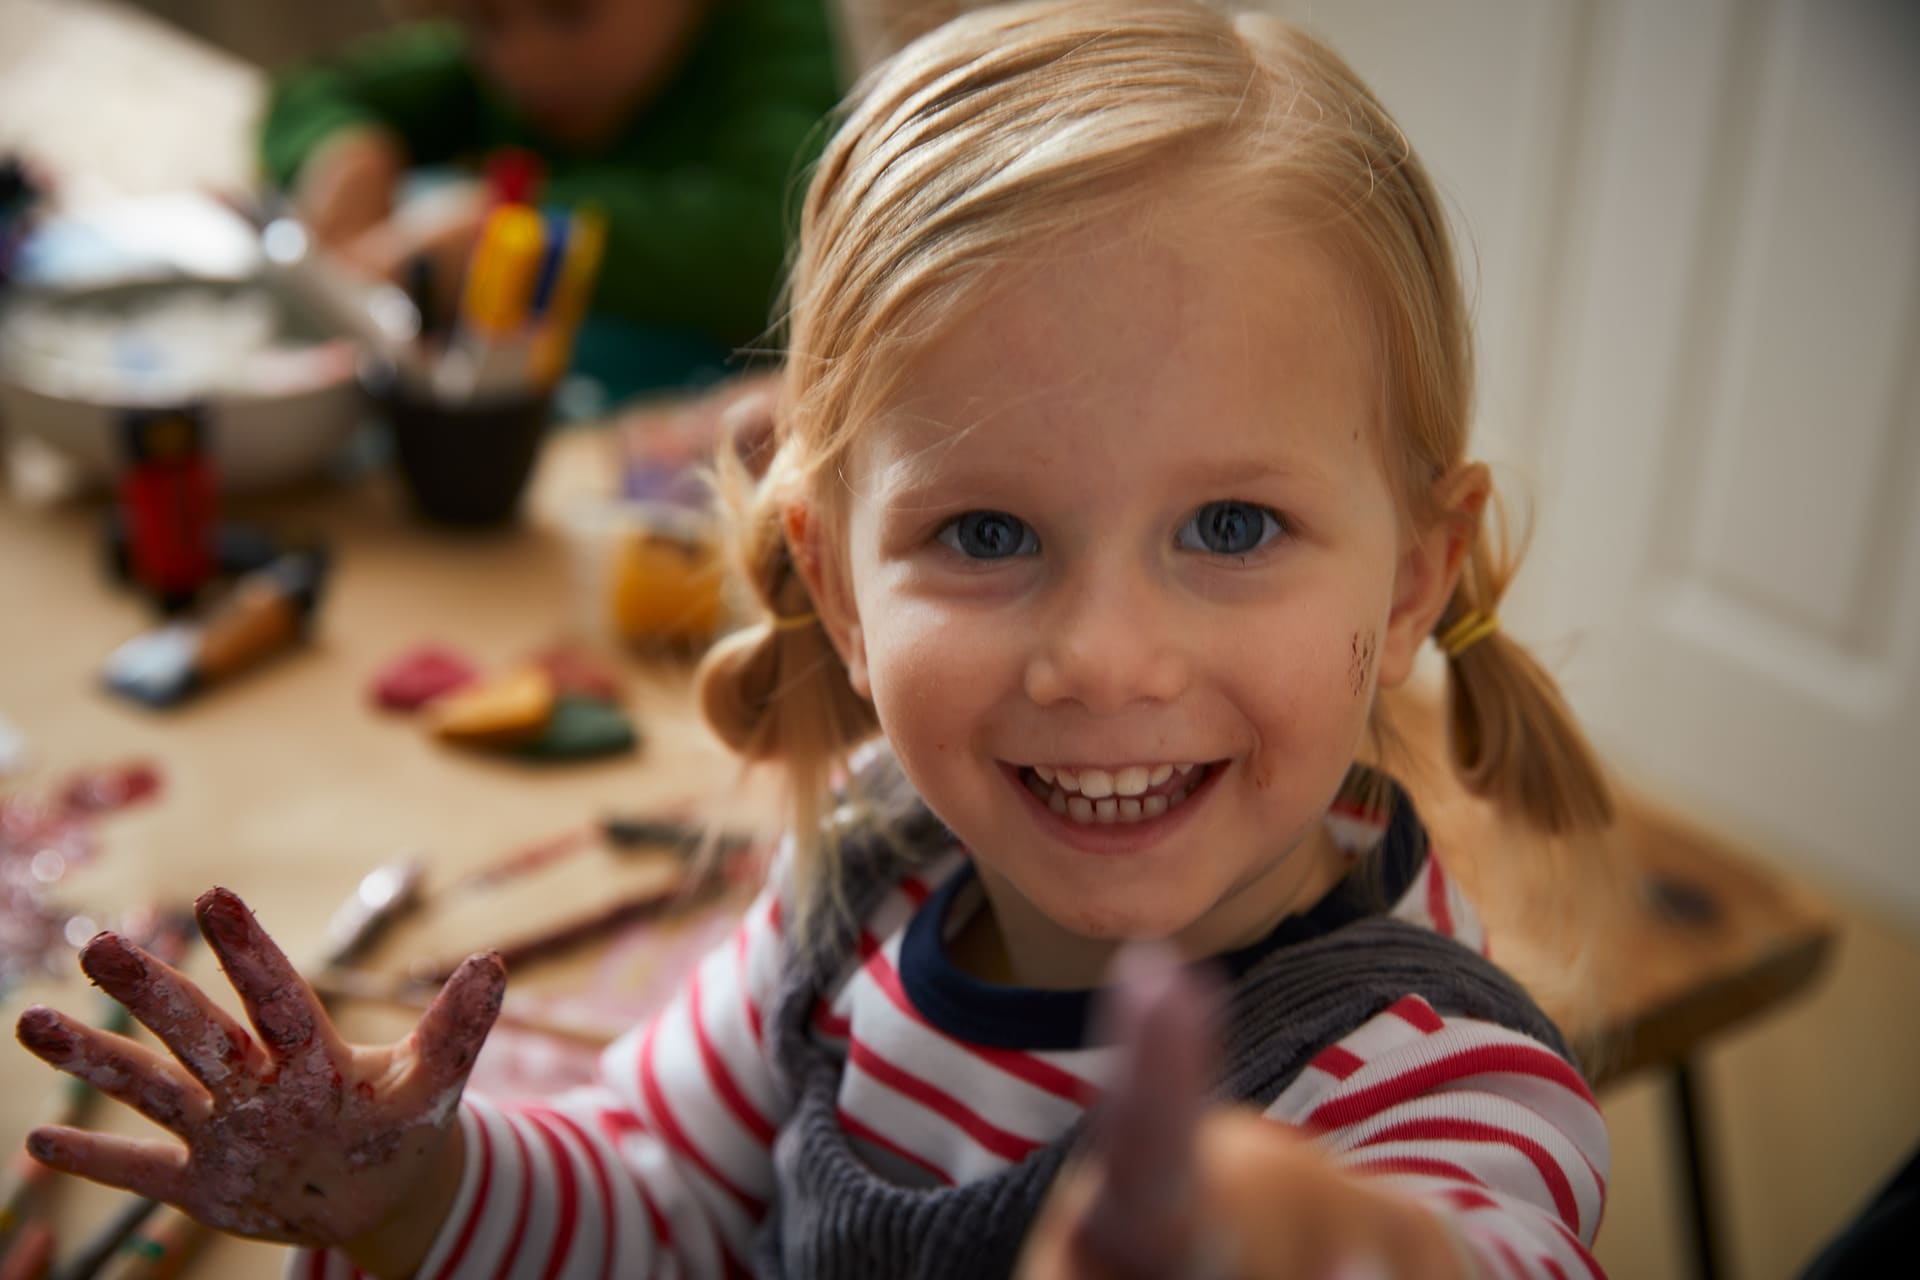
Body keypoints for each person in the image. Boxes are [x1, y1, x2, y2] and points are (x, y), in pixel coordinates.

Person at [16, 2, 1619, 1275]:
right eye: (987, 535)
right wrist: (419, 1182)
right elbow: (656, 1198)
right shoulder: (868, 875)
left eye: (1233, 528)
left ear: (1415, 580)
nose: (1105, 658)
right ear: (839, 584)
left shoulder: (1434, 1094)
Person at [259, 0, 842, 398]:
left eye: (570, 8)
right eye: (483, 18)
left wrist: (520, 239)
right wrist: (346, 154)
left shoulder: (787, 39)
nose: (522, 59)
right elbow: (309, 96)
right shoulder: (499, 56)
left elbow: (781, 235)